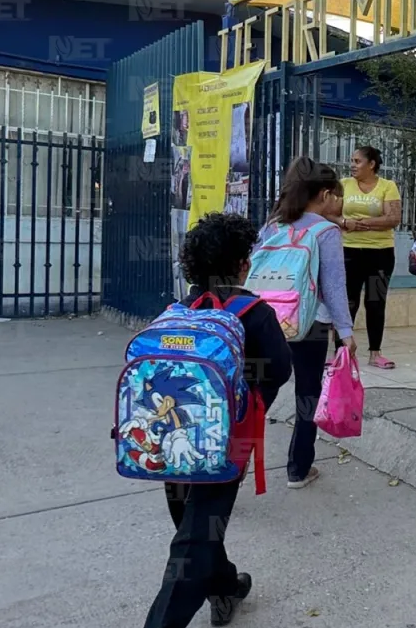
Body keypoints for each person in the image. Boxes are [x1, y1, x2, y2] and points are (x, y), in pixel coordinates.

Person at [144, 213, 292, 628]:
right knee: (194, 541)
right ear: (243, 264)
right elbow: (279, 369)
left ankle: (224, 586)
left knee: (192, 525)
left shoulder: (179, 309)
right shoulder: (254, 312)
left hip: (170, 439)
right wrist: (246, 398)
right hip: (227, 444)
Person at [256, 157, 358, 489]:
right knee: (307, 394)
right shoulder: (326, 231)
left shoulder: (274, 224)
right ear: (326, 194)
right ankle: (298, 469)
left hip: (268, 319)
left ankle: (235, 460)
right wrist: (345, 331)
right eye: (338, 195)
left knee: (259, 391)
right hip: (310, 323)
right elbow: (334, 286)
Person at [340, 145, 402, 369]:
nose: (352, 165)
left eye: (357, 161)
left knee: (375, 302)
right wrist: (345, 223)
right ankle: (342, 354)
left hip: (381, 254)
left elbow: (393, 218)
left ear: (371, 164)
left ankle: (375, 353)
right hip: (349, 251)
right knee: (347, 302)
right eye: (352, 161)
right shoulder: (344, 185)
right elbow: (331, 212)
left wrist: (360, 223)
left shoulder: (388, 186)